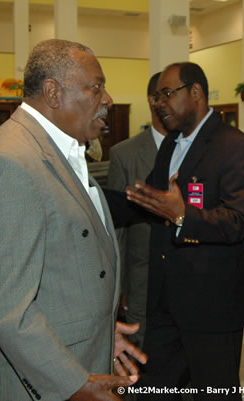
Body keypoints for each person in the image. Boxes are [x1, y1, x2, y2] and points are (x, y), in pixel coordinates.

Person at [0, 39, 146, 401]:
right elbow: (3, 305)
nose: (107, 99)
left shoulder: (59, 151)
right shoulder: (12, 163)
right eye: (96, 87)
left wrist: (99, 331)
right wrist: (72, 382)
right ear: (53, 92)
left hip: (76, 356)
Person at [108, 61, 244, 400]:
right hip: (166, 302)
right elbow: (144, 202)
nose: (160, 102)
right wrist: (88, 198)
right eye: (157, 95)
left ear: (196, 93)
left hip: (213, 307)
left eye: (167, 93)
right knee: (155, 388)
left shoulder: (234, 145)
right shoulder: (172, 144)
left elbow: (236, 221)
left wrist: (182, 216)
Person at [108, 71, 168, 351]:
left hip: (189, 282)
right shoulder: (125, 154)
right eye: (163, 95)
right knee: (141, 361)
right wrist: (118, 286)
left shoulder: (199, 150)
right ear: (151, 100)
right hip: (142, 282)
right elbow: (116, 229)